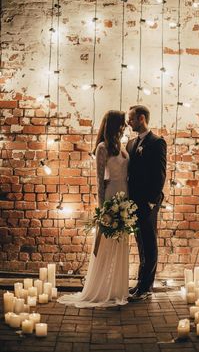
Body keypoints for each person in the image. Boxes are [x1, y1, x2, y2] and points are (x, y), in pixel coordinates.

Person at [57, 110, 129, 308]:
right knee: (105, 244)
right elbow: (99, 180)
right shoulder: (102, 147)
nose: (125, 127)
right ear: (114, 124)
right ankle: (100, 289)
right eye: (122, 124)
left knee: (121, 243)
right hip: (111, 196)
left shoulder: (121, 146)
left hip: (125, 197)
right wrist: (101, 208)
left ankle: (117, 288)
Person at [127, 105, 167, 301]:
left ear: (141, 118)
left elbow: (160, 174)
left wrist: (152, 201)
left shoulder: (157, 142)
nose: (128, 122)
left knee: (149, 243)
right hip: (133, 202)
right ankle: (140, 284)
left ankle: (145, 287)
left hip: (148, 202)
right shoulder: (130, 143)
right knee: (140, 243)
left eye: (131, 119)